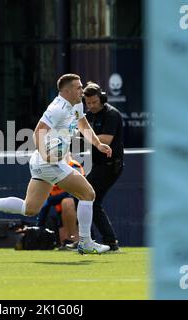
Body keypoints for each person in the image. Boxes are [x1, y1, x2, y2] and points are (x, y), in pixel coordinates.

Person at [0, 74, 112, 254]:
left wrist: (97, 143)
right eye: (79, 87)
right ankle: (86, 243)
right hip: (48, 162)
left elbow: (83, 124)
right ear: (67, 90)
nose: (82, 90)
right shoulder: (57, 107)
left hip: (42, 162)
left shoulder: (77, 104)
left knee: (30, 208)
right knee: (88, 194)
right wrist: (46, 155)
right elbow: (37, 132)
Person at [82, 82, 124, 252]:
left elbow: (104, 141)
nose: (91, 106)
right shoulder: (88, 115)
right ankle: (101, 240)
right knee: (89, 200)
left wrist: (83, 136)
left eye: (94, 102)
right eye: (88, 102)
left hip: (110, 165)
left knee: (86, 198)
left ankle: (88, 239)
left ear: (102, 98)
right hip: (99, 165)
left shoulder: (112, 114)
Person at [36, 156, 81, 248]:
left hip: (76, 207)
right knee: (63, 241)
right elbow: (46, 197)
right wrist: (39, 226)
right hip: (60, 210)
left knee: (67, 202)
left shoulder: (74, 166)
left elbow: (76, 190)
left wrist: (54, 199)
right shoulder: (49, 170)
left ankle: (74, 238)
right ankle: (67, 241)